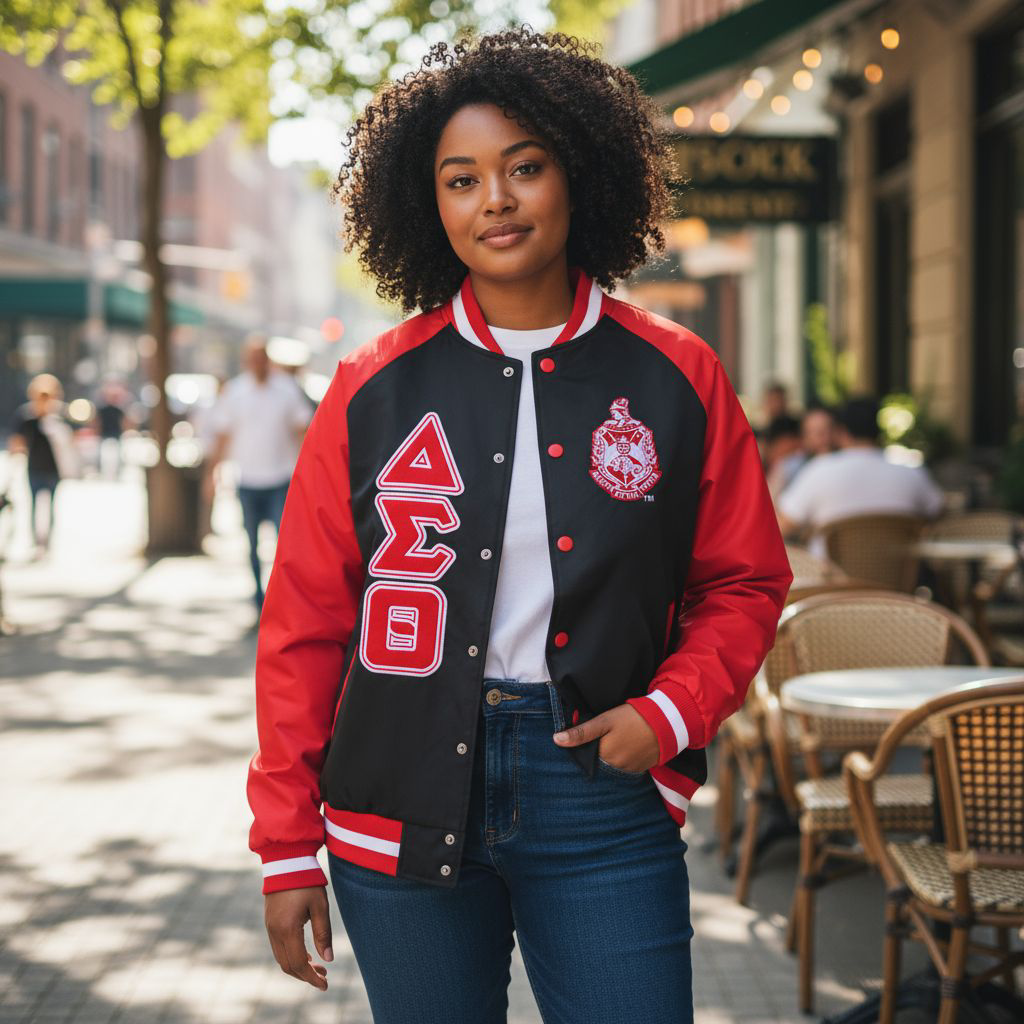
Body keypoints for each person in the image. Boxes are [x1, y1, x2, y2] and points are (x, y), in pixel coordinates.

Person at [246, 29, 792, 1024]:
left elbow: (742, 581)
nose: (493, 200)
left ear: (578, 174)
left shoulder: (678, 375)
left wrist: (669, 714)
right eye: (460, 179)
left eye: (523, 167)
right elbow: (304, 625)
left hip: (599, 789)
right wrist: (285, 841)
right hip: (398, 798)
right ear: (428, 202)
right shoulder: (370, 389)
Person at [204, 336, 312, 609]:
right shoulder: (236, 392)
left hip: (281, 479)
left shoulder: (287, 390)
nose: (258, 364)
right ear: (246, 362)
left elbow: (302, 431)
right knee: (251, 545)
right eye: (253, 359)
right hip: (248, 480)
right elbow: (222, 436)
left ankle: (282, 598)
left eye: (262, 358)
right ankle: (259, 600)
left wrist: (309, 473)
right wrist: (212, 475)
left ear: (268, 360)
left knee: (284, 545)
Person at [777, 395, 945, 555]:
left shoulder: (819, 470)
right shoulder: (911, 472)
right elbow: (939, 517)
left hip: (830, 582)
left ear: (841, 433)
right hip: (897, 583)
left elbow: (780, 528)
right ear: (880, 432)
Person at [8, 373, 78, 556]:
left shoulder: (59, 417)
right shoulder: (26, 416)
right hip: (34, 468)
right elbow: (16, 442)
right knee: (33, 505)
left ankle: (48, 541)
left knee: (52, 506)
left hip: (54, 469)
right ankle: (35, 540)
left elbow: (71, 441)